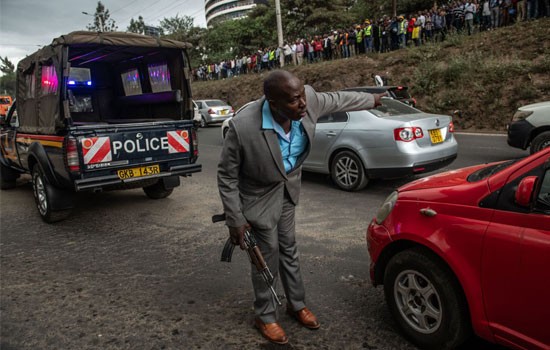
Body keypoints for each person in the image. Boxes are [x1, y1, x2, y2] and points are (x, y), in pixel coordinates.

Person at [217, 70, 385, 345]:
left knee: (289, 248)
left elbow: (339, 99)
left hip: (287, 190)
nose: (304, 104)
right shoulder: (243, 126)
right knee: (266, 255)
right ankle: (266, 315)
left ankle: (296, 304)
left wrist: (372, 100)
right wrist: (235, 219)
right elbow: (226, 175)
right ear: (274, 103)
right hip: (257, 196)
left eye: (303, 96)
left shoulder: (307, 101)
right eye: (295, 100)